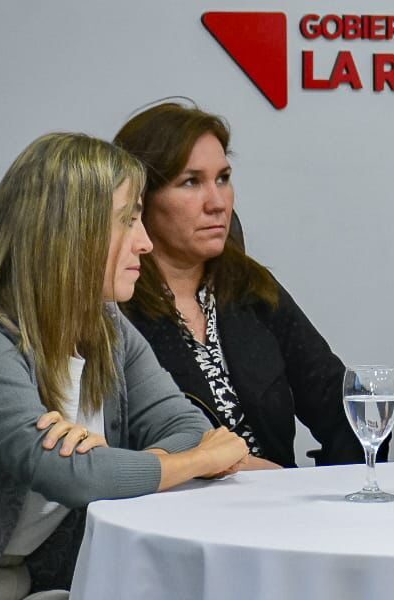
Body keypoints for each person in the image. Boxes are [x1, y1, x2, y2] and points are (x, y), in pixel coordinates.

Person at [0, 133, 249, 599]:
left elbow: (186, 426)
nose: (145, 242)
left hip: (39, 586)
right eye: (128, 220)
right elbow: (71, 476)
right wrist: (195, 462)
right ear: (69, 233)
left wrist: (114, 464)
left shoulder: (108, 328)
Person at [114, 102, 369, 468]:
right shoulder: (117, 306)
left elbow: (340, 405)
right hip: (179, 498)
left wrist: (340, 490)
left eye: (223, 178)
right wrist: (244, 473)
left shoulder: (251, 288)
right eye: (191, 182)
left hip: (279, 498)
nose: (218, 203)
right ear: (141, 200)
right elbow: (120, 451)